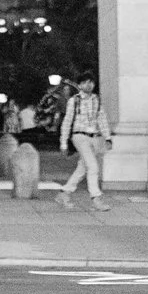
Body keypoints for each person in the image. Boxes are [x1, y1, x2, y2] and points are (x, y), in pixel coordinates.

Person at [56, 73, 112, 212]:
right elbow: (67, 122)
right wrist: (63, 143)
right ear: (80, 85)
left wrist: (107, 137)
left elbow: (102, 119)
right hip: (79, 136)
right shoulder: (74, 101)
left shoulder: (97, 100)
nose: (89, 85)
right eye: (86, 82)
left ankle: (64, 193)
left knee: (83, 168)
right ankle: (96, 198)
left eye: (91, 82)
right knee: (93, 166)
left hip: (93, 137)